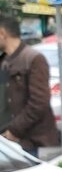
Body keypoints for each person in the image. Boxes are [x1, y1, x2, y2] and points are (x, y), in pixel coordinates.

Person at [0, 16, 58, 157]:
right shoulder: (3, 60)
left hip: (31, 144)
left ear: (2, 33)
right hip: (6, 144)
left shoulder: (33, 59)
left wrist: (14, 130)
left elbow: (39, 102)